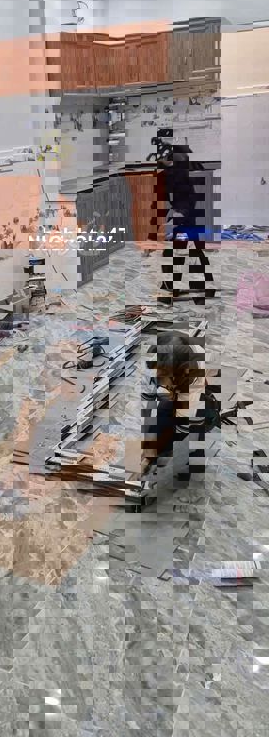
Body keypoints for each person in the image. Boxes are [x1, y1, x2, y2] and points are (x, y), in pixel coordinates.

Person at [140, 331, 220, 482]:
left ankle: (193, 467)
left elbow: (183, 426)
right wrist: (148, 442)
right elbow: (148, 406)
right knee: (161, 417)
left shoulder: (194, 376)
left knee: (195, 429)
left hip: (198, 388)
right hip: (181, 382)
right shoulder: (151, 366)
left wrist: (162, 450)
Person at [153, 140, 215, 303]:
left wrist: (174, 220)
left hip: (183, 220)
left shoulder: (176, 174)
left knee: (177, 253)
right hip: (185, 219)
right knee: (190, 252)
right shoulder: (174, 171)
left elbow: (185, 201)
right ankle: (204, 286)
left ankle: (171, 290)